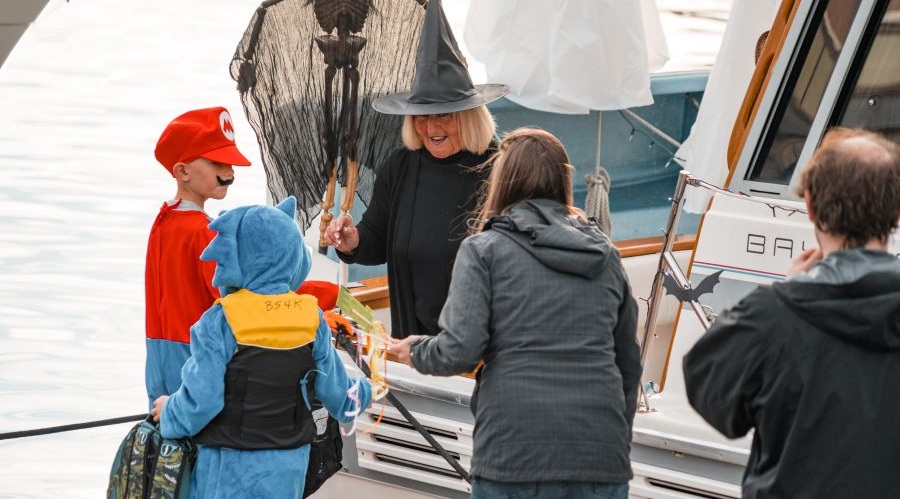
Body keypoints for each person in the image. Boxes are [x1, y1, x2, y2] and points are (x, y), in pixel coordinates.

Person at [392, 127, 642, 499]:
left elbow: (459, 350)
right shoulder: (604, 254)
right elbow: (629, 364)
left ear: (502, 182)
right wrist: (613, 439)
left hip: (513, 455)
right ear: (564, 181)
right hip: (600, 456)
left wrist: (412, 350)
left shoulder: (484, 250)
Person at [683, 127, 900, 498]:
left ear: (811, 206)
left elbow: (714, 398)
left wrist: (784, 293)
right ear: (896, 213)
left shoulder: (771, 317)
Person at [151, 197, 373, 498]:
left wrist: (168, 413)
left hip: (227, 472)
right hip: (288, 472)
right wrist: (369, 390)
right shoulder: (312, 319)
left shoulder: (220, 320)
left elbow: (200, 403)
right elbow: (340, 398)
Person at [323, 0, 509, 339]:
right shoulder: (400, 167)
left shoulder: (500, 169)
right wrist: (352, 241)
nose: (431, 126)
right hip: (416, 344)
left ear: (468, 114)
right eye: (422, 115)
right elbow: (376, 239)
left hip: (486, 346)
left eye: (444, 114)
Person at [144, 106, 252, 407]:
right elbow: (232, 300)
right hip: (196, 361)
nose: (229, 172)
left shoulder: (163, 221)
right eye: (218, 162)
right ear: (183, 171)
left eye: (231, 162)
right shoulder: (206, 232)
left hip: (158, 360)